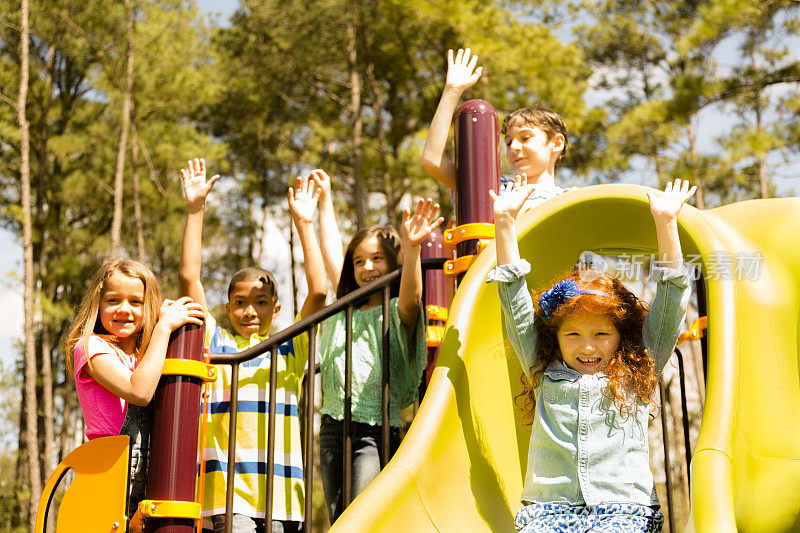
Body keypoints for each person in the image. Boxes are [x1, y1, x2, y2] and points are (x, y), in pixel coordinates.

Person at [487, 176, 696, 532]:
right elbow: (514, 301)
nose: (587, 347)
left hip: (623, 508)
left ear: (621, 335)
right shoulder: (543, 367)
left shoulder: (638, 367)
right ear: (555, 336)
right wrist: (505, 224)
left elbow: (672, 299)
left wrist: (666, 222)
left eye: (601, 334)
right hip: (549, 510)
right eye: (573, 334)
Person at [178, 158, 327, 533]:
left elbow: (320, 291)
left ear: (276, 310)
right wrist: (195, 210)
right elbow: (188, 277)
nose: (249, 311)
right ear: (227, 308)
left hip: (282, 493)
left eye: (261, 303)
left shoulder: (289, 348)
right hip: (228, 494)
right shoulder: (214, 341)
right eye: (240, 303)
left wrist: (304, 224)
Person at [309, 169, 443, 523]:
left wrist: (412, 248)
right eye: (359, 261)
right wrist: (325, 201)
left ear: (392, 262)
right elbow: (330, 251)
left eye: (377, 258)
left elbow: (412, 299)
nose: (367, 267)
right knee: (340, 516)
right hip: (333, 426)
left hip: (374, 427)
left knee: (364, 514)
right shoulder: (345, 309)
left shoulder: (394, 310)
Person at [65, 258, 205, 527]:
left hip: (152, 475)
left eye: (136, 302)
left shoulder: (147, 357)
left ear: (148, 306)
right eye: (113, 300)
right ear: (98, 304)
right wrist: (164, 327)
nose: (124, 310)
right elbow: (138, 391)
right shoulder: (90, 347)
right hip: (109, 474)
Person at [421, 48, 573, 213]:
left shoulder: (568, 200)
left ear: (556, 143)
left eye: (525, 138)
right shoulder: (493, 189)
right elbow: (432, 160)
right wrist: (452, 91)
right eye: (508, 142)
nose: (513, 146)